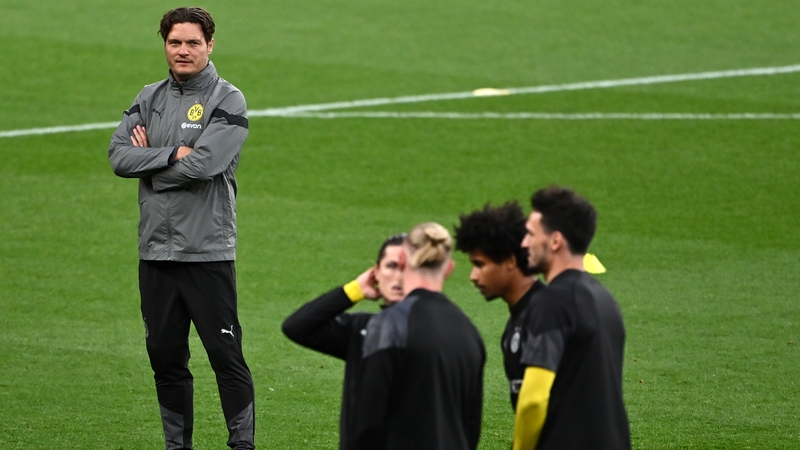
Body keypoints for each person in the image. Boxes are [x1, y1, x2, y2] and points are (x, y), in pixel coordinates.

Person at [107, 7, 254, 450]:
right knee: (165, 359)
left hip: (206, 251)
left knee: (226, 357)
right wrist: (173, 156)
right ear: (165, 46)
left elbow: (208, 163)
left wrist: (149, 164)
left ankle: (242, 447)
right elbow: (118, 157)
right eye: (175, 42)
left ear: (210, 45)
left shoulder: (228, 100)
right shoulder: (148, 97)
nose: (183, 50)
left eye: (193, 42)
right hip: (155, 253)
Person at [455, 201, 607, 412]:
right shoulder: (517, 321)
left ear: (509, 261)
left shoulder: (546, 311)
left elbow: (535, 402)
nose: (473, 276)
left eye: (480, 264)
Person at [349, 223, 486, 450]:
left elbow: (368, 420)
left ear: (402, 262)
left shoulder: (389, 324)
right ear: (449, 268)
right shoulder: (469, 331)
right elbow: (471, 426)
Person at [514, 186, 630, 450]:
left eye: (531, 234)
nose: (523, 243)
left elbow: (533, 399)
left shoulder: (551, 301)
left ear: (555, 241)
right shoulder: (606, 300)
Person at [281, 233, 407, 449]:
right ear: (375, 272)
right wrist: (353, 291)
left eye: (408, 269)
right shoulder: (361, 330)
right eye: (391, 266)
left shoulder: (434, 331)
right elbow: (297, 327)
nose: (398, 277)